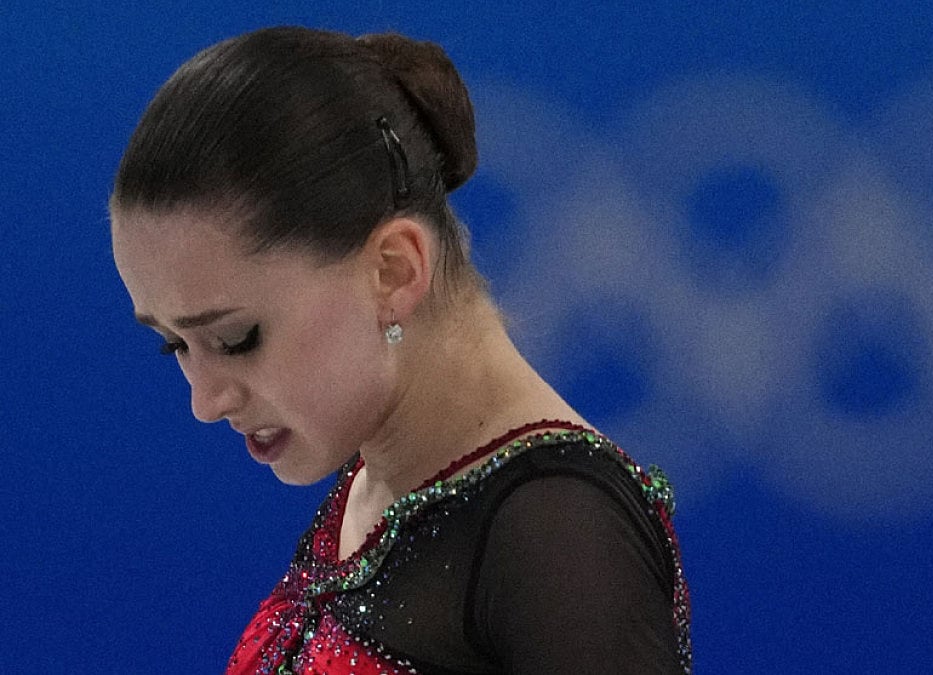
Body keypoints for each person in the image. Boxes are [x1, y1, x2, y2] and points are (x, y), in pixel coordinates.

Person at [109, 25, 691, 675]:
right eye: (173, 346)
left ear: (392, 270)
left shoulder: (557, 529)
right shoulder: (376, 476)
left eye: (235, 338)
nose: (206, 400)